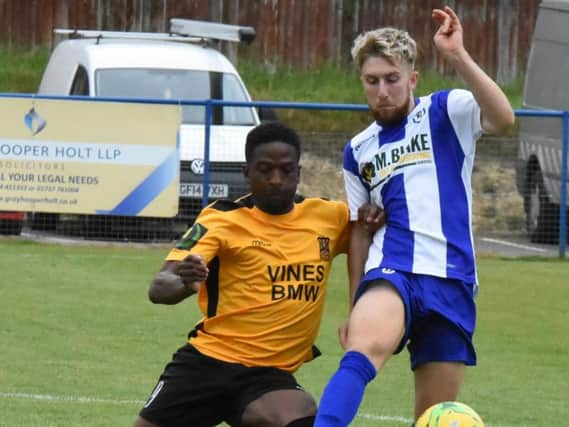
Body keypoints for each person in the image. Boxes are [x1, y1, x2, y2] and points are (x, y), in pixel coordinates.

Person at [314, 6, 515, 427]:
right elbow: (358, 230)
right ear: (362, 83)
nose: (383, 90)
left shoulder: (447, 110)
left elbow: (503, 118)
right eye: (372, 81)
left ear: (412, 79)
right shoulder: (359, 149)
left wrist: (458, 55)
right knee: (361, 352)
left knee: (433, 416)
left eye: (392, 79)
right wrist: (354, 305)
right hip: (394, 268)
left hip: (451, 278)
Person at [133, 121, 383, 427]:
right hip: (206, 363)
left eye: (286, 170)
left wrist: (372, 219)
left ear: (298, 173)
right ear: (246, 172)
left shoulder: (329, 218)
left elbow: (367, 234)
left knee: (299, 418)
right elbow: (159, 287)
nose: (276, 180)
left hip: (269, 376)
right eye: (265, 170)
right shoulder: (222, 218)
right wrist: (184, 282)